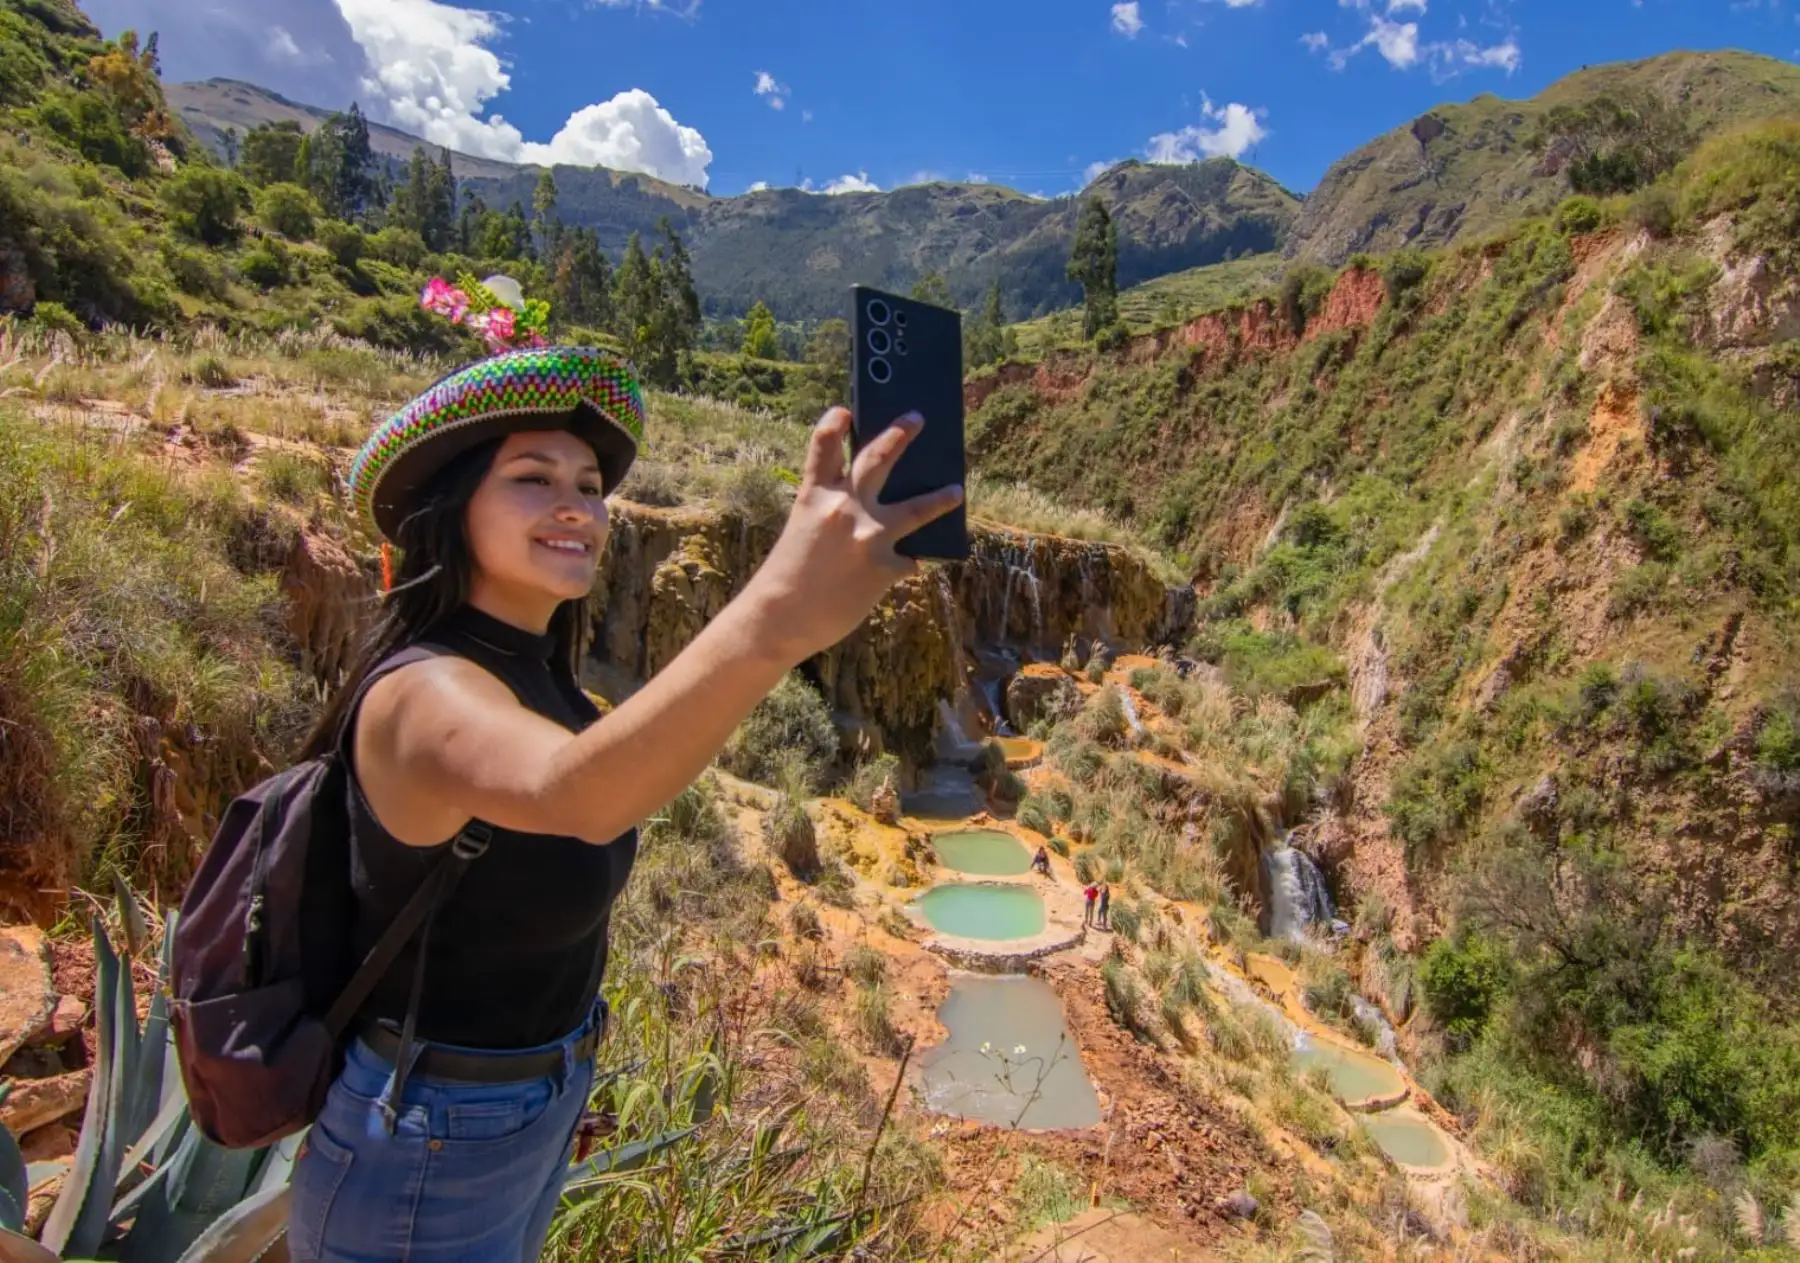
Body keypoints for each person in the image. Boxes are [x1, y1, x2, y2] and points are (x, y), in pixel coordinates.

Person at [283, 342, 961, 1263]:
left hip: (520, 1108)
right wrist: (779, 614)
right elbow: (580, 793)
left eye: (589, 484)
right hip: (425, 1139)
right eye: (532, 477)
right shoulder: (422, 693)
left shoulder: (538, 680)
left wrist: (566, 1071)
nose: (576, 506)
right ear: (450, 505)